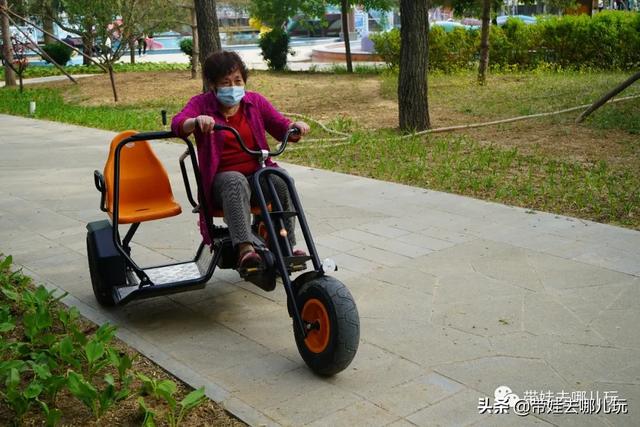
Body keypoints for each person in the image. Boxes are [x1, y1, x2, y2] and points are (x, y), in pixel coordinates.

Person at [171, 50, 311, 271]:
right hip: (221, 182)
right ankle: (245, 250)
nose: (233, 87)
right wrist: (195, 121)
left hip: (256, 175)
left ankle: (286, 245)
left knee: (280, 179)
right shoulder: (201, 104)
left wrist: (294, 128)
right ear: (213, 85)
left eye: (237, 81)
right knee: (235, 181)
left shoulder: (254, 102)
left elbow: (279, 124)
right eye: (226, 83)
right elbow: (178, 123)